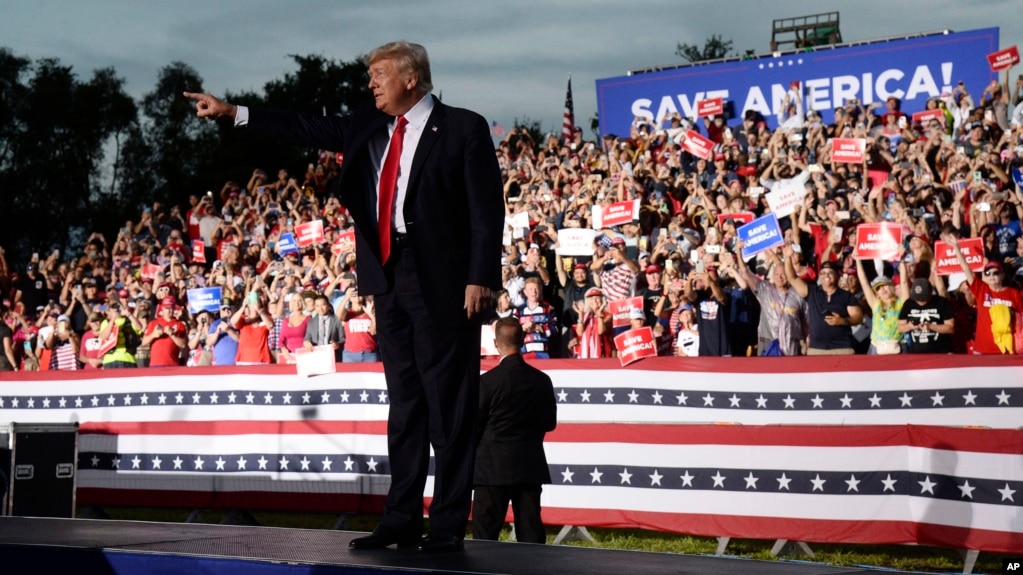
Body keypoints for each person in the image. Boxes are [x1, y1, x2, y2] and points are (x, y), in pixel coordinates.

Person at [185, 40, 503, 552]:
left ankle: (445, 526)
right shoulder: (367, 124)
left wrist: (480, 276)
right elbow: (305, 126)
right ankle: (400, 518)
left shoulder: (464, 127)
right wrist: (233, 112)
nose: (371, 84)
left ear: (411, 79)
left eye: (379, 75)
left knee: (450, 406)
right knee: (405, 406)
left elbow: (487, 209)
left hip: (445, 283)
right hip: (388, 279)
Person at [472, 318, 556, 544]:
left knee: (484, 539)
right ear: (523, 340)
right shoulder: (542, 381)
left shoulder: (487, 382)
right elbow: (550, 423)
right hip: (529, 466)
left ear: (496, 344)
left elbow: (474, 427)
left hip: (491, 469)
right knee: (530, 537)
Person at [945, 232, 1023, 354]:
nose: (991, 276)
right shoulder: (982, 289)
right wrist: (956, 248)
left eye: (996, 272)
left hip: (1008, 350)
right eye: (988, 273)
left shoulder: (1014, 293)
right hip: (983, 350)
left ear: (1003, 275)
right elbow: (966, 269)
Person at [784, 250, 863, 355]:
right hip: (817, 349)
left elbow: (858, 316)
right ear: (820, 276)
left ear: (837, 275)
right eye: (823, 273)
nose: (826, 275)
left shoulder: (846, 295)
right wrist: (787, 257)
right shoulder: (812, 292)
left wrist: (843, 321)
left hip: (842, 348)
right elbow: (792, 278)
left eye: (830, 272)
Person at [898, 278, 955, 353]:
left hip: (941, 352)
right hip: (916, 354)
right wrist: (910, 326)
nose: (920, 302)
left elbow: (951, 328)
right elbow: (900, 327)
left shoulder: (942, 303)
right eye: (917, 299)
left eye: (923, 298)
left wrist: (930, 326)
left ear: (931, 292)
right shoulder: (909, 304)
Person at [303, 295, 344, 362]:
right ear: (315, 307)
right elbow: (307, 337)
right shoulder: (311, 322)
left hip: (332, 356)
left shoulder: (336, 320)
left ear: (328, 305)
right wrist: (306, 342)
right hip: (316, 356)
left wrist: (337, 344)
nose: (320, 308)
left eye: (323, 305)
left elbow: (342, 338)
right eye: (317, 306)